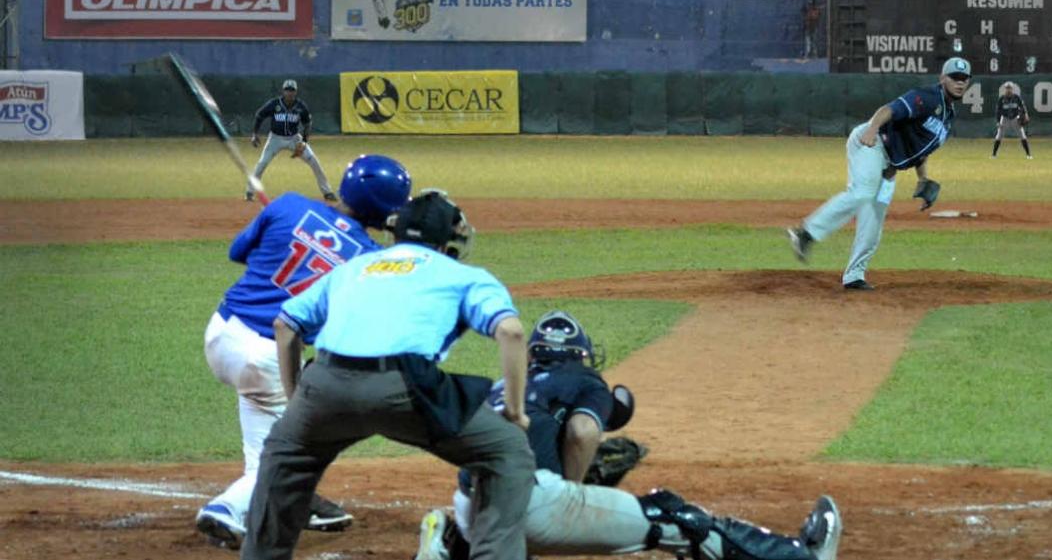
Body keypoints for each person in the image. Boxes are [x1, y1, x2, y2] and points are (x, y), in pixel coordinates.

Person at [241, 190, 536, 560]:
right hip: (405, 388)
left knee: (283, 460)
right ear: (449, 239)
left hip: (325, 383)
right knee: (506, 452)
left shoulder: (353, 267)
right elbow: (510, 332)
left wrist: (296, 399)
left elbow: (286, 325)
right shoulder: (464, 276)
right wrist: (515, 410)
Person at [414, 311, 842, 560]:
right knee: (675, 518)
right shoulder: (584, 380)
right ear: (582, 354)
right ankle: (800, 556)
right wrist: (571, 492)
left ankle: (451, 545)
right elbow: (583, 431)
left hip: (471, 505)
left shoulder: (503, 386)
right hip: (534, 505)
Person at [195, 155, 414, 549]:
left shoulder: (288, 204)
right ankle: (226, 508)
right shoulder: (368, 260)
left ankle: (281, 502)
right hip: (268, 356)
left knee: (268, 437)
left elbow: (238, 253)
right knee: (293, 449)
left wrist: (292, 240)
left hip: (221, 333)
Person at [786, 57, 971, 291]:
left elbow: (920, 150)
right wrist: (872, 129)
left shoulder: (948, 116)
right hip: (872, 145)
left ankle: (854, 276)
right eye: (954, 77)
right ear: (942, 79)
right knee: (862, 193)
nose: (959, 83)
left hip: (888, 168)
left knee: (873, 221)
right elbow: (888, 110)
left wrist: (922, 178)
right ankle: (805, 233)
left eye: (964, 79)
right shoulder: (926, 96)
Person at [248, 79, 337, 202]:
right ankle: (250, 192)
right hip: (275, 138)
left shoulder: (301, 106)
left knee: (314, 161)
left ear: (296, 92)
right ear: (283, 91)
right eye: (287, 90)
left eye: (292, 90)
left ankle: (327, 192)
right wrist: (255, 134)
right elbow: (259, 115)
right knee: (262, 163)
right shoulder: (274, 104)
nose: (289, 93)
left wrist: (304, 142)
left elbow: (307, 123)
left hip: (294, 138)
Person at [992, 81, 1032, 159]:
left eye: (1010, 88)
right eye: (1007, 88)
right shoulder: (1001, 99)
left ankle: (1028, 155)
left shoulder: (1017, 97)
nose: (1008, 90)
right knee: (999, 136)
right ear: (1005, 89)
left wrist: (1026, 114)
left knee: (1022, 136)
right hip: (1004, 118)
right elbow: (998, 111)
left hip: (1015, 118)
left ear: (1012, 89)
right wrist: (998, 121)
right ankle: (994, 155)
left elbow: (1022, 106)